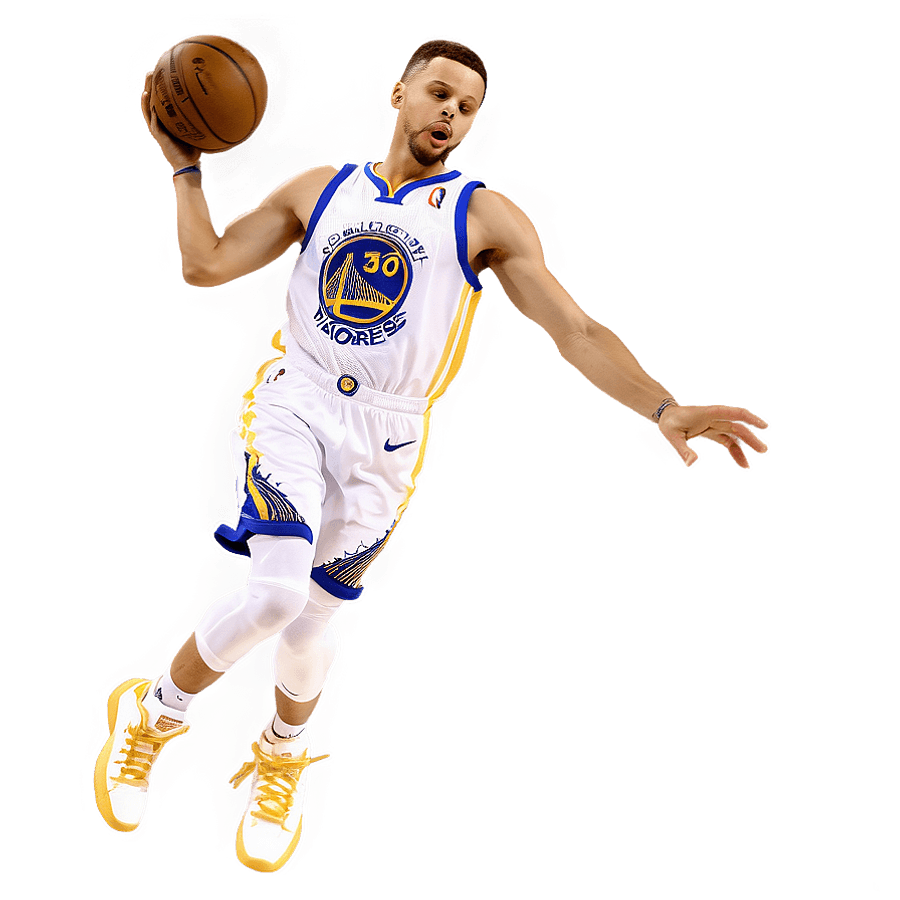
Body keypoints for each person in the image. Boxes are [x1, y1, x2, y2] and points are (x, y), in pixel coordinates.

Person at [94, 37, 770, 874]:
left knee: (309, 624)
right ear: (401, 92)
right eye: (440, 93)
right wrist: (183, 167)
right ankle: (154, 712)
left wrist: (662, 406)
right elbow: (206, 263)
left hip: (388, 441)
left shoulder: (482, 216)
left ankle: (283, 750)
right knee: (274, 594)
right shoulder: (320, 189)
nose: (451, 112)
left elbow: (574, 328)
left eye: (467, 106)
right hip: (295, 405)